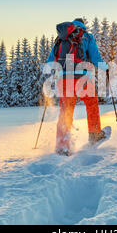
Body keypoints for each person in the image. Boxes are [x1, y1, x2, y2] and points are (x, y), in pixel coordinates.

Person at [47, 18, 109, 155]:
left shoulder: (61, 38)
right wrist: (105, 67)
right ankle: (94, 134)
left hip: (63, 79)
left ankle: (62, 146)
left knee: (66, 110)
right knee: (91, 103)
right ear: (83, 26)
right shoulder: (86, 36)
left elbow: (50, 61)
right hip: (82, 77)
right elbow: (95, 58)